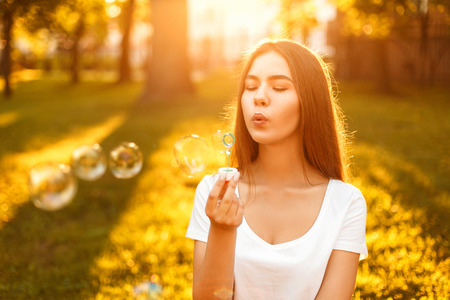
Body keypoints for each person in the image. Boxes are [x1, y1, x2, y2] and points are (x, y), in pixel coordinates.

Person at [186, 38, 368, 300]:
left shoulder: (345, 202)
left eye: (279, 87)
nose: (259, 97)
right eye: (250, 87)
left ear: (310, 101)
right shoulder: (214, 193)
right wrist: (222, 230)